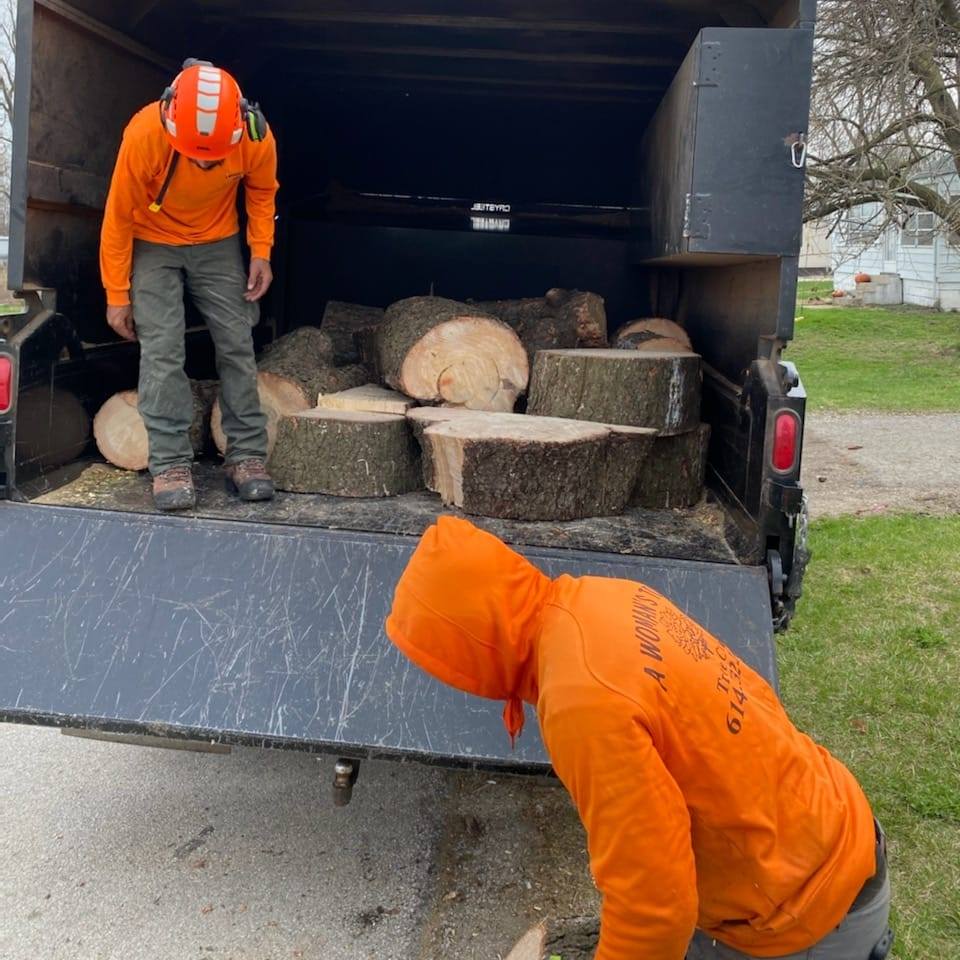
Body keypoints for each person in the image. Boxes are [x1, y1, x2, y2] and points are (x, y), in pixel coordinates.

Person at [386, 517, 893, 960]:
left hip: (804, 916)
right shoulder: (599, 598)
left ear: (468, 644)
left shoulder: (580, 699)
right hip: (832, 828)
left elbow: (656, 907)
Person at [100, 58, 278, 511]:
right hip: (152, 241)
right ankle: (170, 464)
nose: (203, 161)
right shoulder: (144, 133)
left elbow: (261, 191)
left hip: (219, 240)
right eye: (195, 153)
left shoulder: (256, 135)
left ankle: (247, 456)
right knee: (162, 348)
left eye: (212, 156)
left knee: (236, 341)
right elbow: (118, 219)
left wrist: (261, 251)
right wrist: (116, 294)